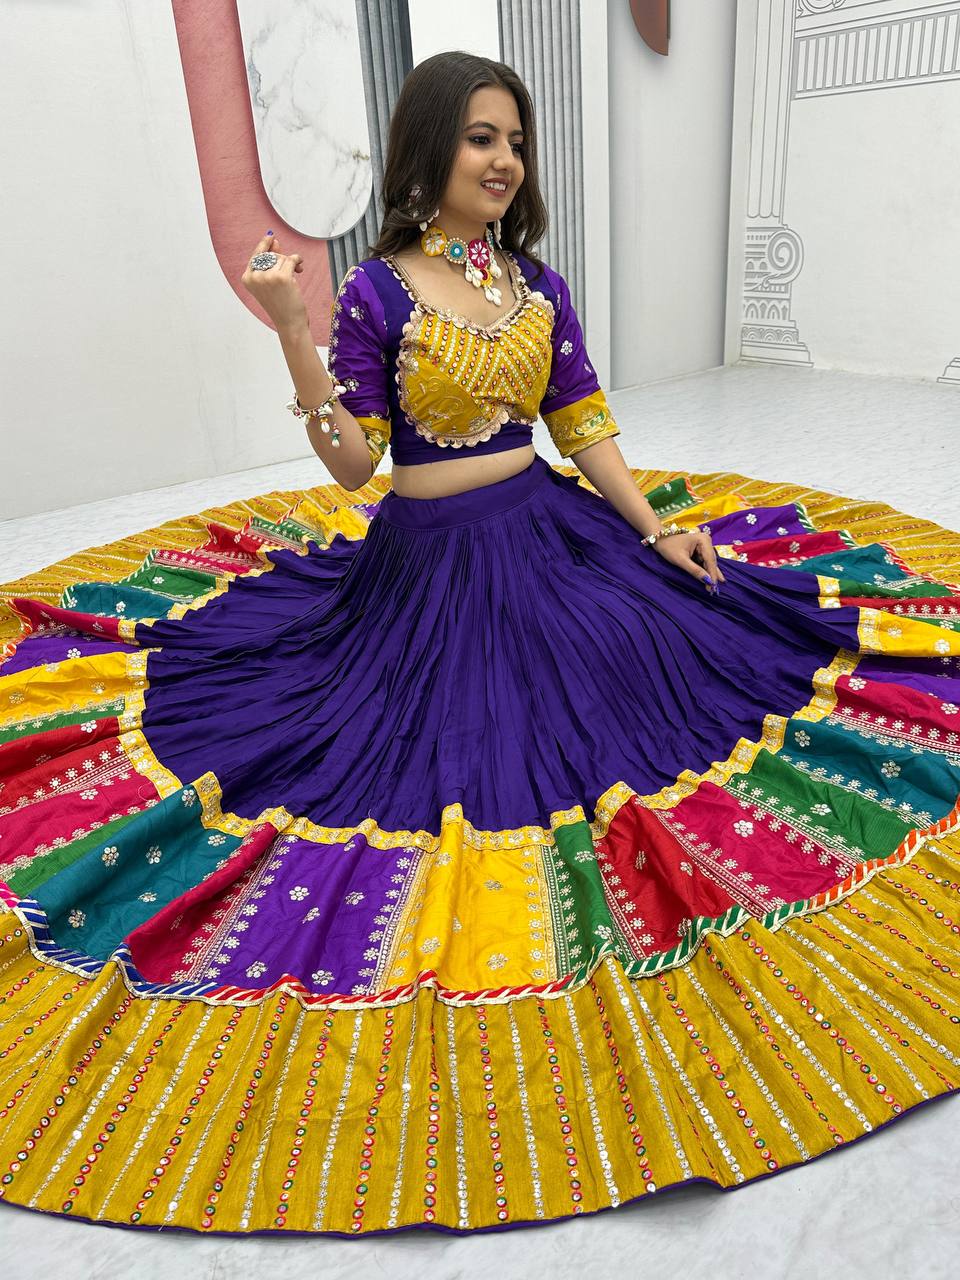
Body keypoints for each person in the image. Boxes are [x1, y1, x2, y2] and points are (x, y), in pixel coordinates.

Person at [1, 49, 959, 1239]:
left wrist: (654, 528)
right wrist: (294, 329)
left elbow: (584, 424)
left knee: (666, 660)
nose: (504, 160)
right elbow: (355, 465)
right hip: (429, 569)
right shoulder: (378, 293)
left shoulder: (534, 283)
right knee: (429, 741)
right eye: (480, 138)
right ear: (430, 149)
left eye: (514, 141)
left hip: (552, 532)